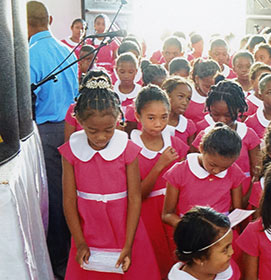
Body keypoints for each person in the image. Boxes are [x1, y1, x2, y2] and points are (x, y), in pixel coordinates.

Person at [58, 77, 160, 279]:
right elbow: (69, 200)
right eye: (92, 130)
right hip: (89, 230)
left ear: (118, 121)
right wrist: (79, 242)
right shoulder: (70, 152)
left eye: (108, 130)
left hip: (125, 228)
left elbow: (134, 197)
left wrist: (129, 244)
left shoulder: (127, 150)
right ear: (80, 122)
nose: (101, 137)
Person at [27, 2, 80, 277]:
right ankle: (73, 253)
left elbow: (27, 105)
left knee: (56, 199)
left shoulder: (27, 55)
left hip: (47, 133)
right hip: (74, 130)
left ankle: (60, 263)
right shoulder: (67, 50)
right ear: (49, 19)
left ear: (23, 26)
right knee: (73, 194)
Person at [129, 86, 189, 278]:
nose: (158, 124)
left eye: (164, 117)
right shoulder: (131, 149)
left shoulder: (176, 144)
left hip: (174, 211)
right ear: (138, 116)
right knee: (154, 263)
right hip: (147, 217)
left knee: (178, 262)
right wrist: (159, 165)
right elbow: (138, 193)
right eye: (151, 117)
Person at [162, 124, 245, 228]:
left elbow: (237, 211)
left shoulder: (234, 171)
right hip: (191, 234)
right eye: (212, 165)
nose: (216, 171)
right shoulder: (179, 172)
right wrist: (189, 229)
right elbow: (167, 214)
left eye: (224, 168)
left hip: (221, 234)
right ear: (201, 148)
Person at [192, 81, 262, 179]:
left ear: (239, 109)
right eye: (216, 114)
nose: (222, 120)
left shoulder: (248, 134)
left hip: (243, 190)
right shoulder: (204, 135)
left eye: (228, 115)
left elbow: (257, 168)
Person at [170, 206, 239, 280]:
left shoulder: (226, 267)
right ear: (199, 258)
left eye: (230, 246)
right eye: (225, 249)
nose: (231, 252)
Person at [161, 77, 197, 146]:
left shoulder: (188, 126)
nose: (185, 102)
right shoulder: (153, 121)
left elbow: (190, 154)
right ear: (167, 95)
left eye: (188, 98)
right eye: (180, 96)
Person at [185, 59, 220, 124]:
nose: (211, 90)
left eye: (216, 86)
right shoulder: (187, 95)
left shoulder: (223, 94)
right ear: (197, 79)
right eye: (207, 86)